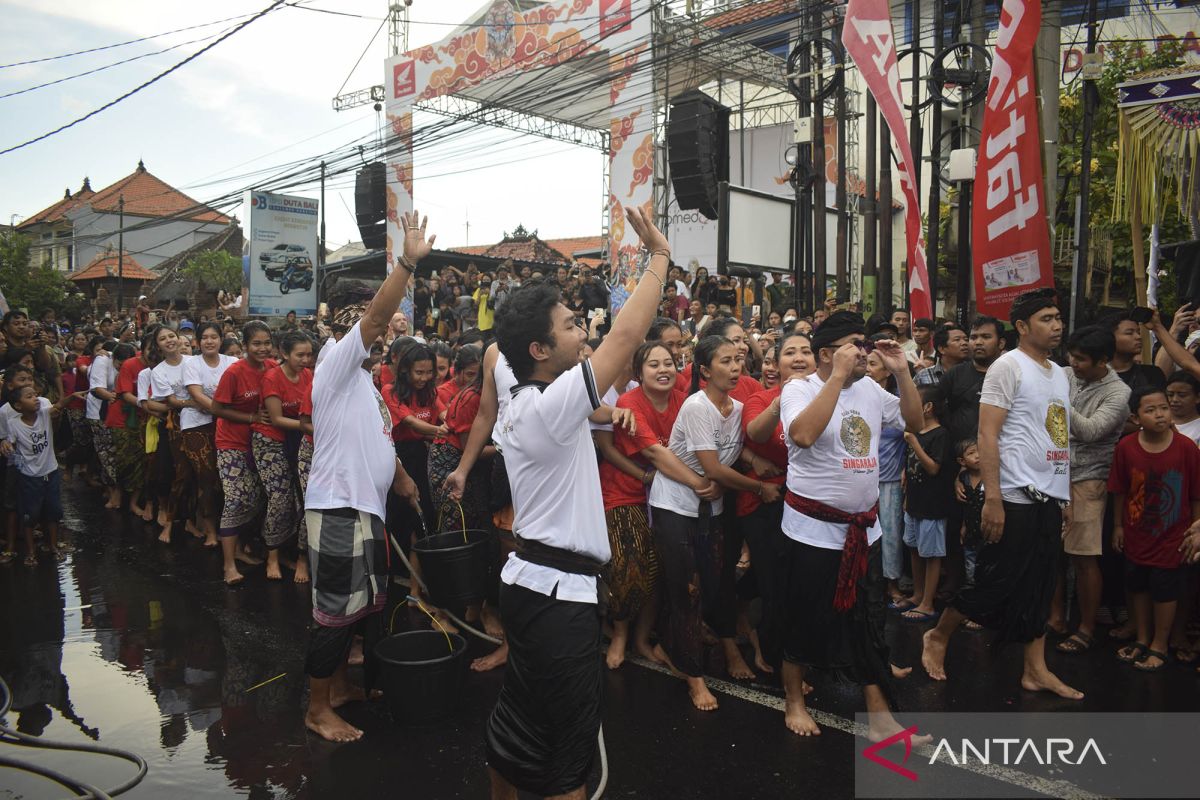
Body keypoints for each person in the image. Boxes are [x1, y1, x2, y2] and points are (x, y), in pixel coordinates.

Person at [484, 208, 667, 800]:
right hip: (558, 597)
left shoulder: (519, 394)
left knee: (518, 727)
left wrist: (605, 410)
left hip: (532, 586)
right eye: (569, 326)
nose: (583, 331)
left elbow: (501, 354)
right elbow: (626, 337)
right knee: (566, 759)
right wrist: (659, 259)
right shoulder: (547, 404)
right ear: (539, 348)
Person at [921, 288, 1083, 700]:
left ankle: (1035, 670)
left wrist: (1065, 495)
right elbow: (987, 434)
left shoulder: (1060, 373)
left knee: (1041, 587)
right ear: (1024, 327)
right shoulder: (1007, 367)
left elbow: (1058, 436)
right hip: (1011, 495)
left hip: (1050, 497)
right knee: (996, 583)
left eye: (1057, 317)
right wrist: (993, 497)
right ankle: (938, 635)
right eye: (1046, 318)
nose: (1056, 325)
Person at [302, 211, 427, 743]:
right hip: (338, 506)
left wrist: (399, 475)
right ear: (343, 326)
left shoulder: (365, 383)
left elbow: (376, 438)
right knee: (334, 612)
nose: (379, 333)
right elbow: (376, 321)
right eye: (364, 323)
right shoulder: (335, 362)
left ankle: (338, 689)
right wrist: (404, 264)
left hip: (365, 508)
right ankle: (316, 708)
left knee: (360, 608)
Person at [774, 311, 924, 738]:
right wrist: (836, 379)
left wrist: (902, 372)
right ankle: (794, 701)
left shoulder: (873, 392)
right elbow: (801, 435)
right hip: (811, 534)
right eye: (856, 344)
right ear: (827, 353)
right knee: (804, 620)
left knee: (869, 623)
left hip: (865, 533)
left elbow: (915, 423)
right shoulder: (799, 389)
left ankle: (880, 718)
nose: (866, 351)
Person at [1109, 385, 1200, 671]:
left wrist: (1196, 529)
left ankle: (1160, 644)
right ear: (1136, 417)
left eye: (1163, 408)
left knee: (1165, 589)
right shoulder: (1126, 447)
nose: (1160, 414)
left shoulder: (1186, 447)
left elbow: (1197, 494)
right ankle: (1142, 638)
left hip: (1173, 535)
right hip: (1137, 533)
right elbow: (1119, 490)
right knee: (1137, 586)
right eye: (1150, 410)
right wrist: (1118, 526)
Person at [740, 331, 815, 672]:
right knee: (775, 587)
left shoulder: (828, 397)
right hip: (768, 502)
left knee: (803, 585)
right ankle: (775, 658)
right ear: (777, 364)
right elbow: (754, 433)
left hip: (812, 505)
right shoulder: (761, 397)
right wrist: (780, 400)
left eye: (806, 352)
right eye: (790, 353)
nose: (799, 358)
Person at [1052, 326, 1129, 655]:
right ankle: (1054, 617)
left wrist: (1055, 403)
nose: (1073, 363)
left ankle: (1085, 627)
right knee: (1053, 554)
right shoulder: (1065, 373)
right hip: (1054, 473)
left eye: (1081, 359)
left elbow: (1092, 431)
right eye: (1071, 355)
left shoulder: (1119, 392)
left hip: (1089, 478)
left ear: (1104, 361)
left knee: (1083, 557)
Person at [211, 321, 276, 586]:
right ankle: (228, 565)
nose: (262, 348)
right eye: (256, 344)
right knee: (236, 499)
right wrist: (250, 417)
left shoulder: (273, 368)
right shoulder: (234, 372)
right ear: (246, 345)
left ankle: (242, 548)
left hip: (261, 444)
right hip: (231, 443)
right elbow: (216, 408)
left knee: (257, 498)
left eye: (267, 343)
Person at [254, 332, 313, 581]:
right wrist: (312, 427)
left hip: (299, 440)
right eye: (300, 355)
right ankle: (272, 556)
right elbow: (276, 419)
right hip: (270, 440)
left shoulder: (308, 375)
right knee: (280, 499)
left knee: (307, 499)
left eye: (309, 354)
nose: (305, 359)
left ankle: (301, 556)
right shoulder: (272, 377)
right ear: (284, 354)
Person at [2, 385, 79, 565]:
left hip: (50, 472)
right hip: (29, 476)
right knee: (29, 515)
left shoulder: (44, 414)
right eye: (29, 396)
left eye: (36, 395)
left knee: (53, 511)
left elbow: (58, 406)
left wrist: (72, 396)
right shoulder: (14, 424)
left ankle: (52, 546)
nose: (36, 398)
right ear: (18, 405)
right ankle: (30, 552)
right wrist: (6, 445)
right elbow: (9, 443)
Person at [898, 385, 954, 621]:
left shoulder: (940, 435)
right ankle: (918, 594)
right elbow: (911, 469)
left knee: (932, 554)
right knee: (913, 548)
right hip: (914, 502)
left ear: (928, 407)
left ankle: (928, 604)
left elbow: (933, 468)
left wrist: (914, 444)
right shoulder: (915, 432)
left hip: (933, 505)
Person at [183, 322, 236, 548]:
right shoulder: (191, 363)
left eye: (214, 336)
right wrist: (221, 411)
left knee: (226, 478)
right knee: (206, 476)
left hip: (227, 424)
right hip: (196, 424)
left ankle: (230, 529)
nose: (209, 341)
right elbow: (196, 394)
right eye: (204, 337)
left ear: (221, 339)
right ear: (197, 341)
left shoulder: (232, 362)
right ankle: (211, 530)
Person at [1167, 371, 1200, 444]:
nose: (1174, 400)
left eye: (1182, 395)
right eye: (1170, 395)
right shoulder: (1155, 422)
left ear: (1198, 397)